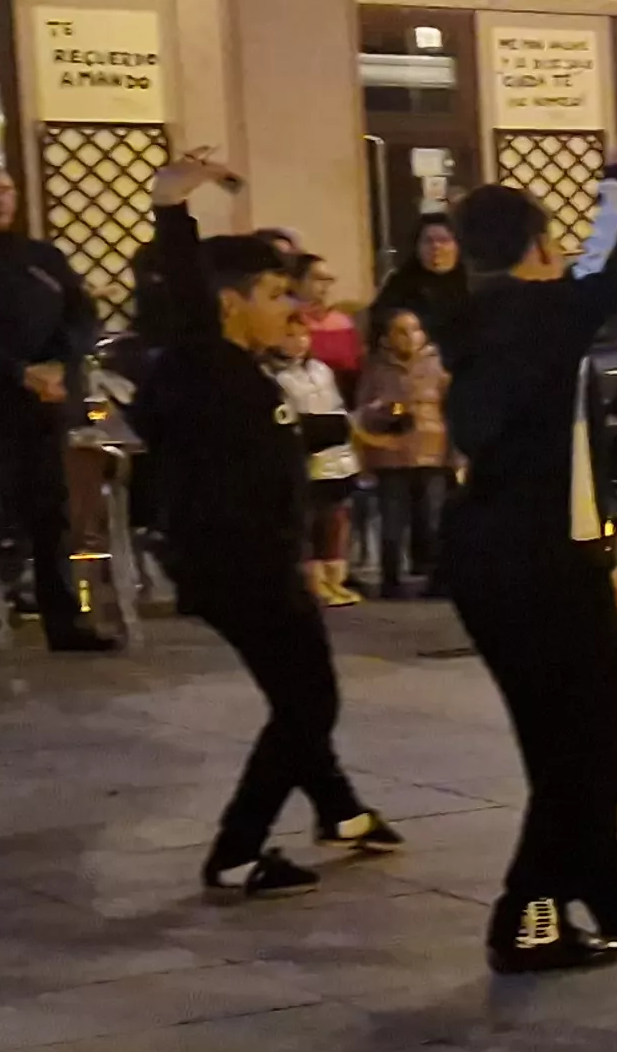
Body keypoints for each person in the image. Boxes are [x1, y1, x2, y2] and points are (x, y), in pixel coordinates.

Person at [132, 157, 398, 895]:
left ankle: (340, 812)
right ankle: (237, 853)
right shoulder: (202, 358)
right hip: (236, 560)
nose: (296, 309)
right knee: (309, 701)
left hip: (259, 557)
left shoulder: (239, 370)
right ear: (228, 303)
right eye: (278, 294)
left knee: (298, 695)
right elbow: (186, 295)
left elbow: (269, 440)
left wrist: (349, 427)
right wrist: (170, 206)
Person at [440, 173, 617, 974]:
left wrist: (602, 559)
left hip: (501, 555)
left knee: (564, 744)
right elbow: (609, 269)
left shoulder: (478, 318)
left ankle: (608, 879)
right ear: (537, 249)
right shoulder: (536, 317)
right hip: (537, 565)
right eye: (556, 242)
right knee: (589, 751)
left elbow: (561, 460)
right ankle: (529, 913)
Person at [0, 163, 113, 657]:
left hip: (45, 403)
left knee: (51, 514)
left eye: (6, 190)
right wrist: (15, 371)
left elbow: (81, 313)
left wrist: (60, 363)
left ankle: (64, 620)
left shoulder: (41, 257)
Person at [267, 303, 364, 608]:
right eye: (289, 335)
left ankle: (334, 579)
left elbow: (337, 405)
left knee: (335, 519)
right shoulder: (272, 374)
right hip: (305, 457)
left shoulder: (321, 370)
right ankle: (312, 581)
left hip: (336, 456)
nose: (298, 342)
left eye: (303, 335)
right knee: (309, 522)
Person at [351, 305, 450, 600]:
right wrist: (388, 411)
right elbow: (363, 410)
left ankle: (434, 579)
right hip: (391, 453)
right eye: (401, 331)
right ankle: (390, 579)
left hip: (432, 451)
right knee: (392, 521)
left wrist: (457, 454)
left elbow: (451, 406)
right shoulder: (376, 367)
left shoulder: (437, 364)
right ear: (387, 337)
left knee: (432, 519)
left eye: (415, 329)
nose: (410, 337)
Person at [370, 214, 470, 353]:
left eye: (444, 240)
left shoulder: (473, 282)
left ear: (457, 245)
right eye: (428, 241)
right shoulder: (401, 282)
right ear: (417, 246)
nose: (436, 246)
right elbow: (379, 321)